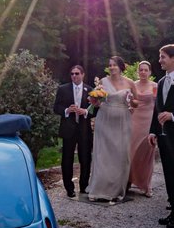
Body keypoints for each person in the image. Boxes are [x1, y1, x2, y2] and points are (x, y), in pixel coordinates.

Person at [87, 56, 138, 204]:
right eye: (110, 65)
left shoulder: (129, 83)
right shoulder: (103, 82)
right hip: (104, 120)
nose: (111, 67)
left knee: (119, 155)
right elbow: (97, 104)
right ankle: (98, 189)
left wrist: (130, 101)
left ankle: (115, 190)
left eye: (114, 65)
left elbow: (137, 103)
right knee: (103, 154)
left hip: (123, 121)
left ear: (121, 67)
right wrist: (95, 101)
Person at [53, 65, 93, 198]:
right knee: (67, 159)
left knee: (85, 159)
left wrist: (85, 111)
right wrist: (66, 110)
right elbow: (56, 107)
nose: (74, 76)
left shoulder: (91, 90)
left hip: (84, 130)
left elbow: (95, 109)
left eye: (76, 74)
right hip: (68, 129)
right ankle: (69, 188)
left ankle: (84, 186)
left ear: (83, 74)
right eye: (72, 74)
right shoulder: (63, 89)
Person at [148, 44, 174, 228]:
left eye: (163, 56)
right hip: (165, 138)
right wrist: (152, 131)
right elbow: (156, 110)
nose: (159, 60)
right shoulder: (161, 82)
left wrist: (173, 116)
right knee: (169, 174)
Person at [128, 61, 157, 197]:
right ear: (138, 71)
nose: (143, 72)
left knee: (147, 154)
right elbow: (130, 103)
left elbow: (159, 105)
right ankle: (128, 181)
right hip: (134, 121)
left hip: (149, 122)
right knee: (131, 152)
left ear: (150, 72)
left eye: (146, 70)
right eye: (141, 70)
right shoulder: (132, 85)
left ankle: (147, 185)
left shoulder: (155, 86)